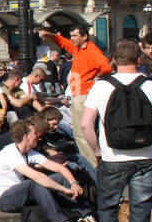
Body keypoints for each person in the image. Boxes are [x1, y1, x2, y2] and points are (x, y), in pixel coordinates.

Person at [81, 39, 152, 222]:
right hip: (147, 156)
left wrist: (97, 150)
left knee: (108, 207)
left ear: (114, 61)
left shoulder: (101, 86)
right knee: (141, 210)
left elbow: (86, 124)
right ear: (139, 60)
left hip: (113, 157)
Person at [0, 119, 89, 222]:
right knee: (34, 183)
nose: (39, 137)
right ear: (26, 137)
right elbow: (37, 177)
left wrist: (73, 183)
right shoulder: (10, 153)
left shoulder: (28, 152)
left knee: (60, 177)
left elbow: (58, 167)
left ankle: (85, 215)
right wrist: (64, 190)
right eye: (35, 133)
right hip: (4, 199)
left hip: (20, 194)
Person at [39, 25, 111, 168]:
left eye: (74, 36)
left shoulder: (91, 51)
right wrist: (50, 35)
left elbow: (107, 67)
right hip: (79, 94)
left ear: (84, 37)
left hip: (82, 95)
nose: (71, 39)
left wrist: (95, 77)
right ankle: (92, 161)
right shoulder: (79, 49)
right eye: (71, 36)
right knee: (82, 132)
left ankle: (91, 164)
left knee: (80, 133)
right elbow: (64, 42)